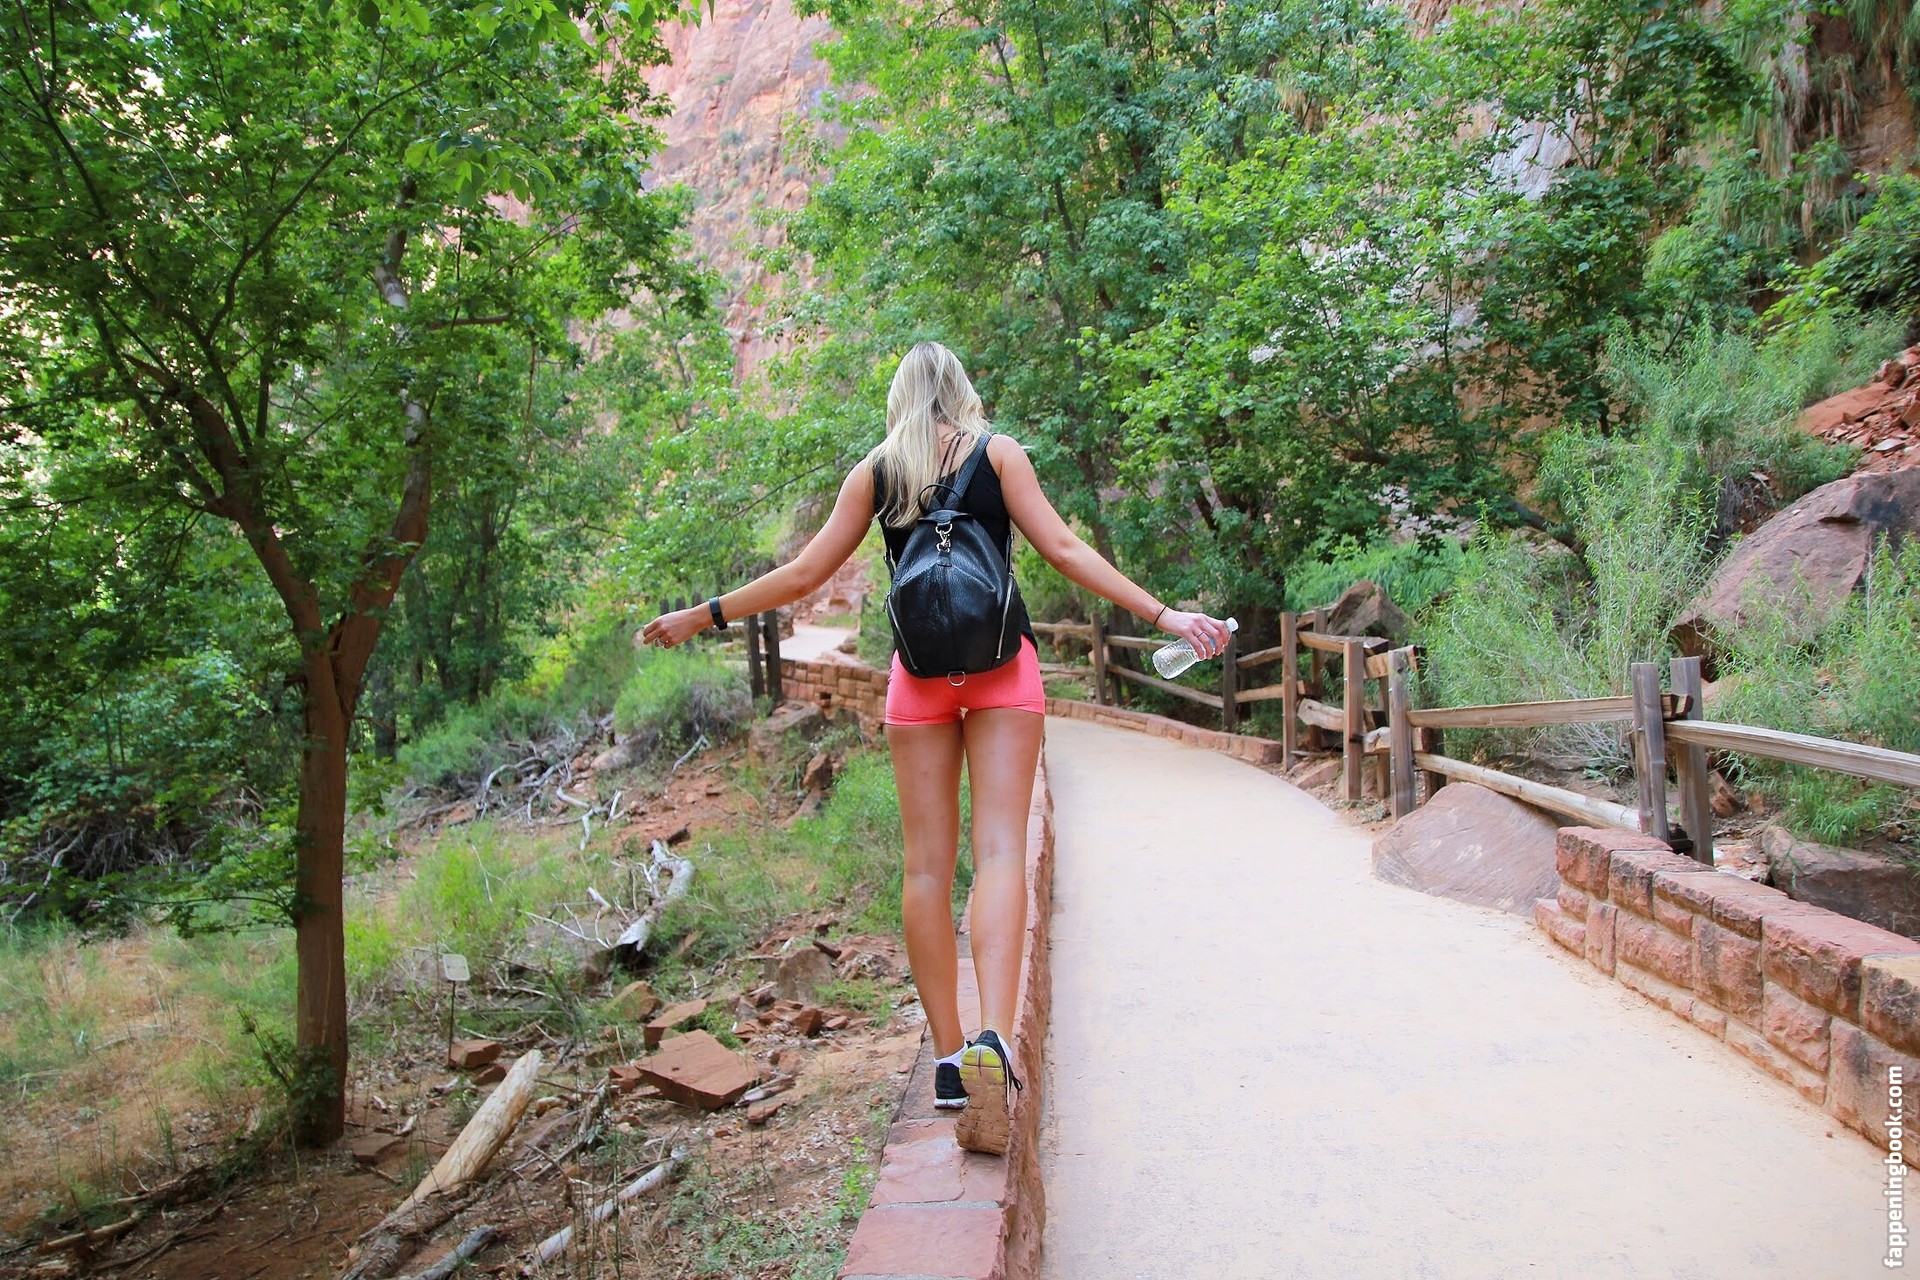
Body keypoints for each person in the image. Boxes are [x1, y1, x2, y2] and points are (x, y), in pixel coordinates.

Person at [641, 341, 1233, 1154]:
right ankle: (997, 1040)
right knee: (999, 852)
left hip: (918, 681)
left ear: (899, 398)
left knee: (925, 868)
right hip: (1003, 671)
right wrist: (1166, 615)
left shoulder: (877, 471)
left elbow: (805, 575)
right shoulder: (1000, 454)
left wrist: (702, 615)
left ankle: (951, 1061)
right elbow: (1064, 550)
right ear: (961, 390)